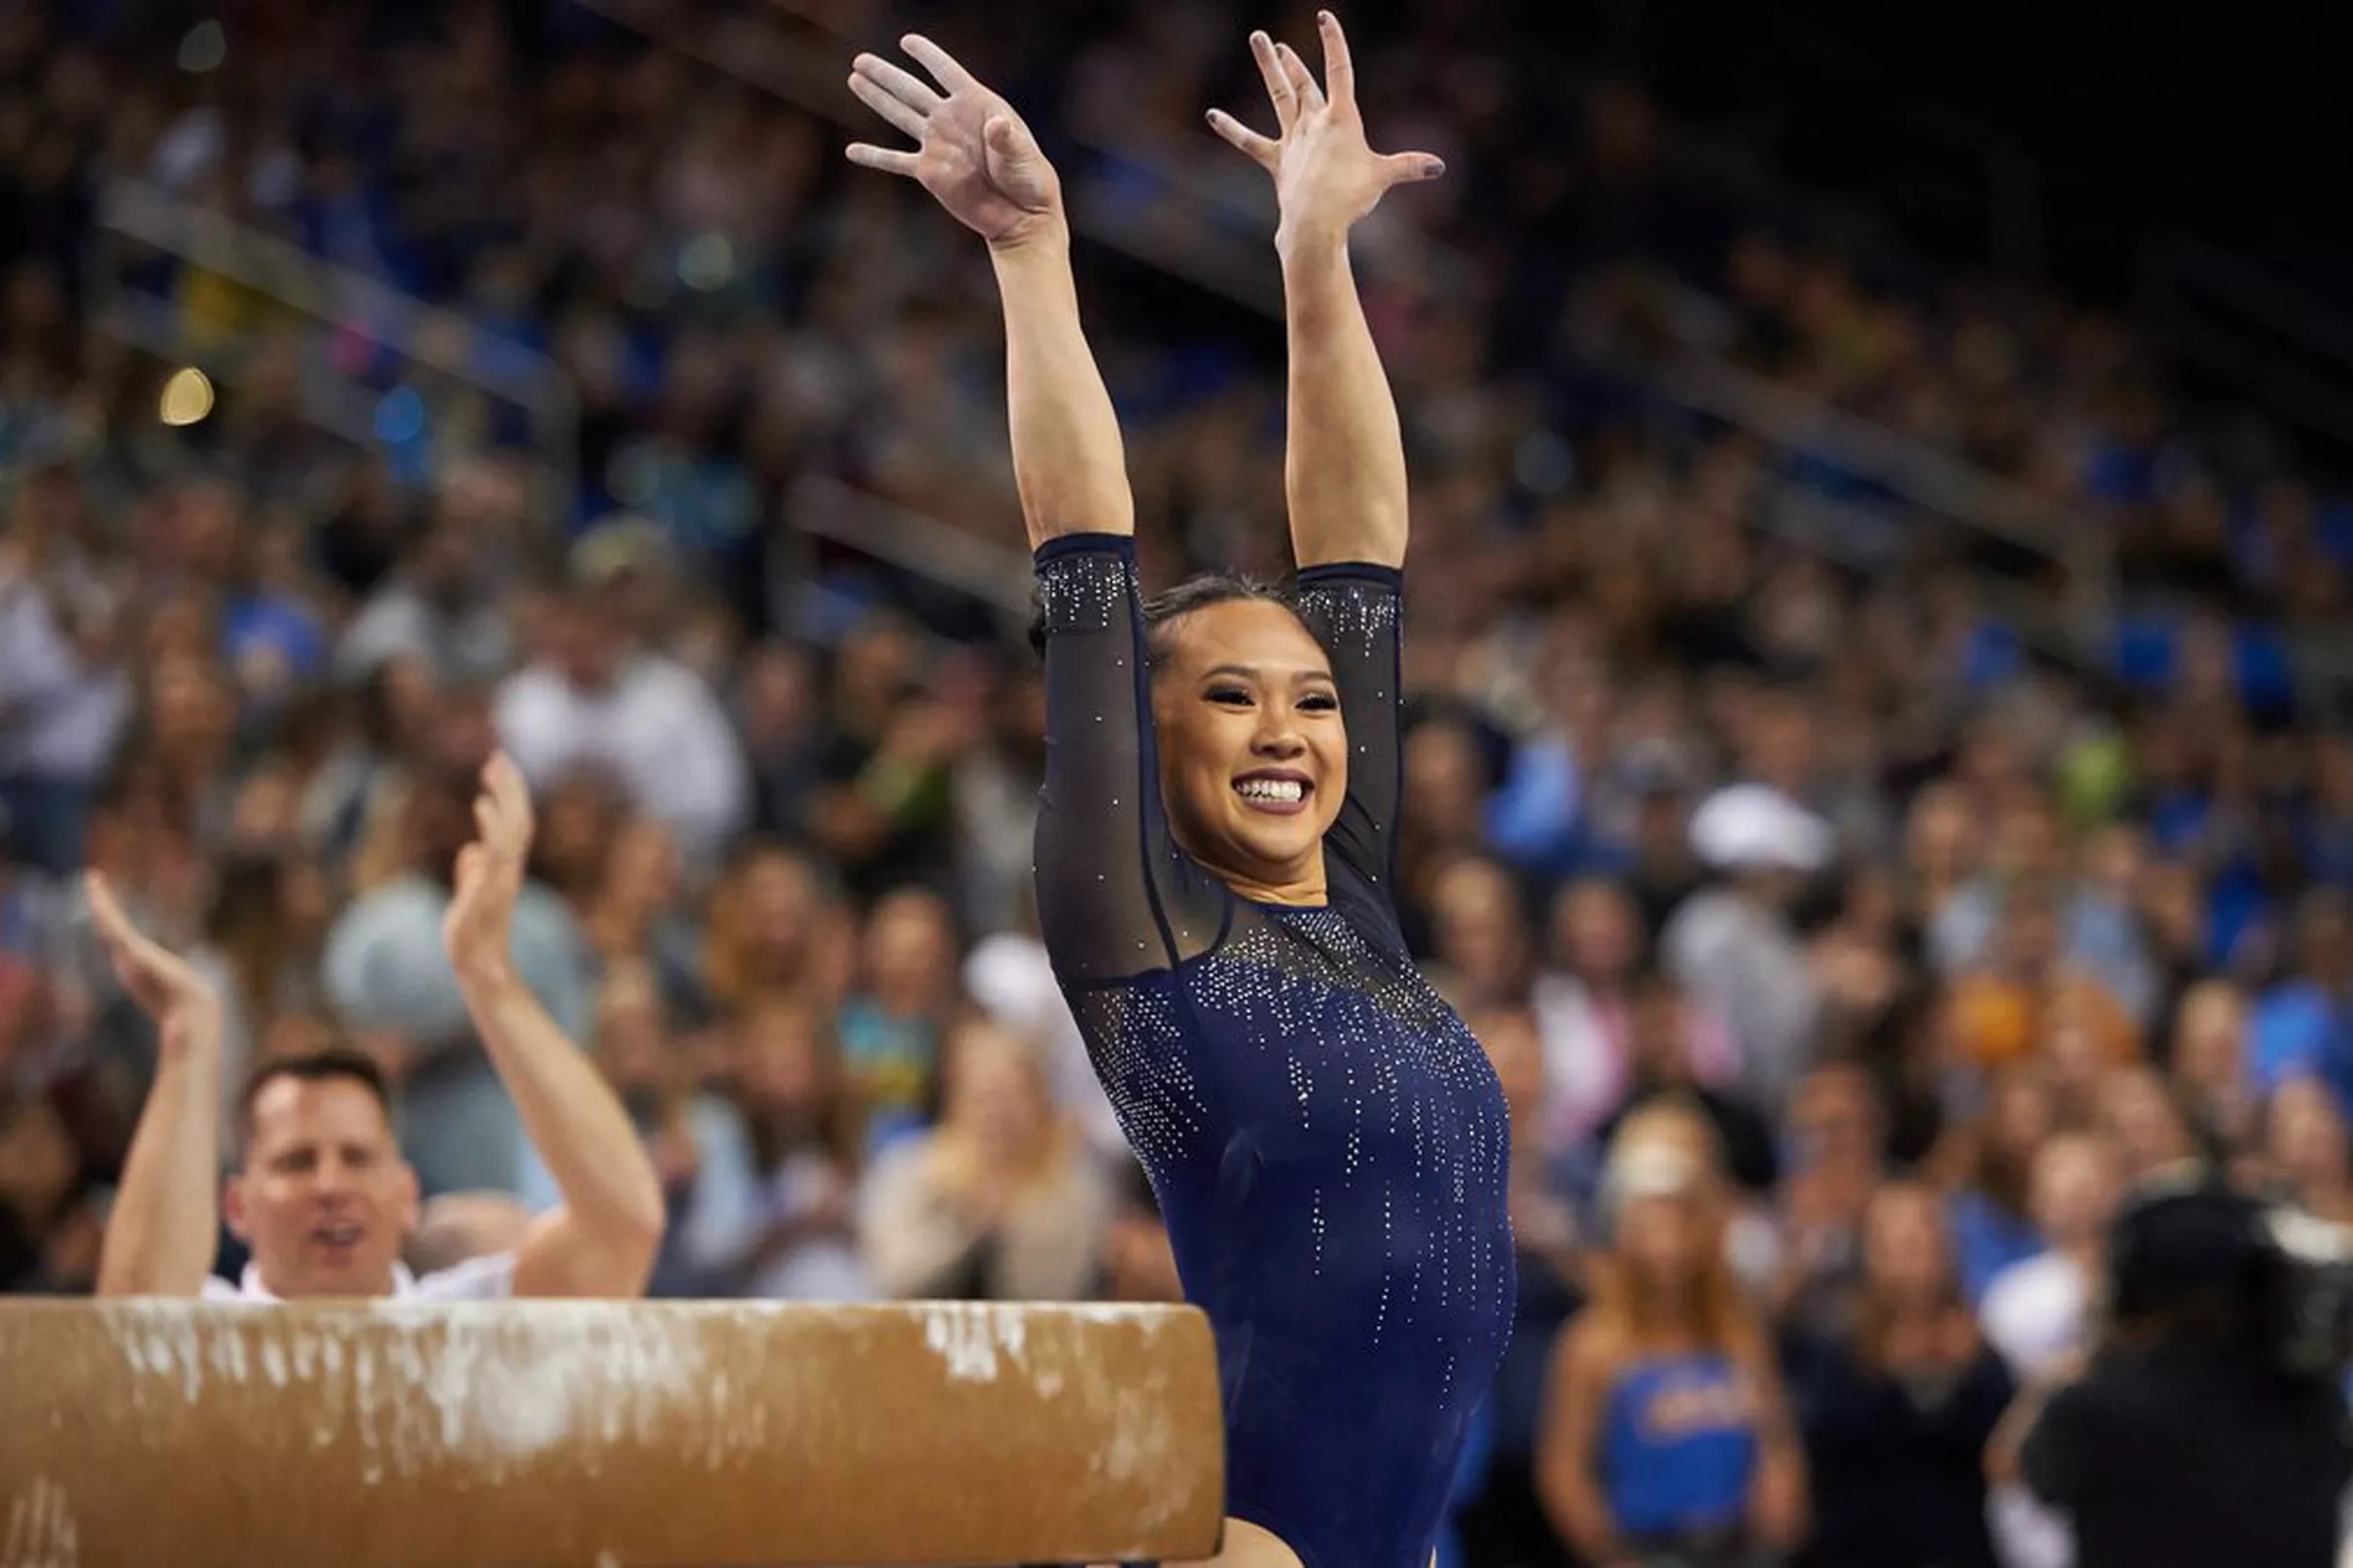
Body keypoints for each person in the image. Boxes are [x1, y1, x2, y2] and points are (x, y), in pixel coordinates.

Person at [846, 17, 1499, 1568]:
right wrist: (1030, 253)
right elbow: (1081, 541)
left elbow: (1358, 545)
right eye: (1230, 694)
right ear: (1144, 742)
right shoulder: (1139, 931)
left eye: (1316, 700)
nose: (1289, 730)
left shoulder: (1352, 907)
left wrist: (1316, 258)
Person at [91, 752, 666, 1302]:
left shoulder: (467, 1321)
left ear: (407, 1197)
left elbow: (623, 1226)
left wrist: (488, 974)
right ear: (238, 1207)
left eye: (359, 1157)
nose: (330, 1187)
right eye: (296, 1162)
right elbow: (136, 1319)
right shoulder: (207, 1324)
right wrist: (188, 1037)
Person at [1535, 1134, 1808, 1568]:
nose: (1667, 1243)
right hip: (1646, 1547)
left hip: (1737, 1545)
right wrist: (1611, 1555)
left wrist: (1779, 1505)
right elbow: (1564, 1469)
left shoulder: (1737, 1331)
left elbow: (1775, 1441)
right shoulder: (1592, 1345)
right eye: (1649, 1223)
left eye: (1681, 1221)